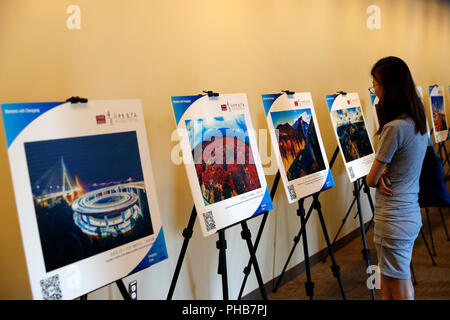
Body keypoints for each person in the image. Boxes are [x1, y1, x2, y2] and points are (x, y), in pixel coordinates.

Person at [366, 56, 428, 300]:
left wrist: (379, 176)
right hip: (408, 213)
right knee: (391, 283)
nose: (375, 91)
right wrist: (382, 174)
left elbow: (371, 179)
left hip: (393, 218)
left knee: (398, 287)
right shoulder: (416, 121)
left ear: (389, 87)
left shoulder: (394, 128)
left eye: (376, 84)